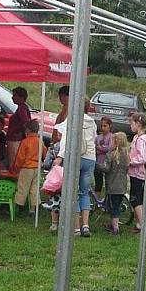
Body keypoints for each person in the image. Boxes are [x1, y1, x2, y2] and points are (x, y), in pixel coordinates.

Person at [53, 98, 97, 237]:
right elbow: (93, 138)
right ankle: (85, 225)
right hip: (90, 157)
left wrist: (60, 157)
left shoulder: (73, 120)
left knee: (73, 192)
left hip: (76, 158)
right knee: (84, 192)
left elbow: (65, 140)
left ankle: (76, 227)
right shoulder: (92, 122)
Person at [97, 132, 129, 235]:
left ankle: (115, 228)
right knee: (117, 205)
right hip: (122, 186)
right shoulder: (126, 155)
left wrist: (96, 165)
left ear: (115, 142)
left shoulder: (111, 155)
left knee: (113, 207)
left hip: (112, 186)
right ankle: (113, 224)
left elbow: (106, 168)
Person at [11, 120, 44, 217]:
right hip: (37, 167)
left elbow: (20, 157)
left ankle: (20, 208)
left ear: (28, 130)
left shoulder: (25, 142)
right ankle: (33, 209)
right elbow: (44, 153)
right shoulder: (40, 141)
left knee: (22, 188)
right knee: (34, 188)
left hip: (26, 168)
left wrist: (16, 168)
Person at [127, 112, 146, 233]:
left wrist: (130, 162)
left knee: (136, 200)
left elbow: (143, 157)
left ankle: (142, 225)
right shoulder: (136, 138)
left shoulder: (142, 139)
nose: (130, 126)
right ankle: (139, 224)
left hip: (139, 174)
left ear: (138, 124)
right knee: (134, 199)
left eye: (132, 123)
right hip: (133, 173)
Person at [6, 87, 31, 170]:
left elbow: (25, 122)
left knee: (14, 162)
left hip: (15, 139)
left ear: (21, 97)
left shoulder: (22, 108)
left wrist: (16, 131)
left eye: (14, 95)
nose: (12, 97)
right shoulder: (22, 107)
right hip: (16, 138)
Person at [94, 117, 113, 201]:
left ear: (110, 126)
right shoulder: (98, 137)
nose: (103, 128)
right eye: (102, 126)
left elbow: (109, 148)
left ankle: (107, 200)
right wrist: (100, 149)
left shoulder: (112, 137)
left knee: (109, 182)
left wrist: (99, 147)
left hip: (108, 163)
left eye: (105, 126)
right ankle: (96, 200)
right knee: (98, 182)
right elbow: (95, 149)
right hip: (98, 162)